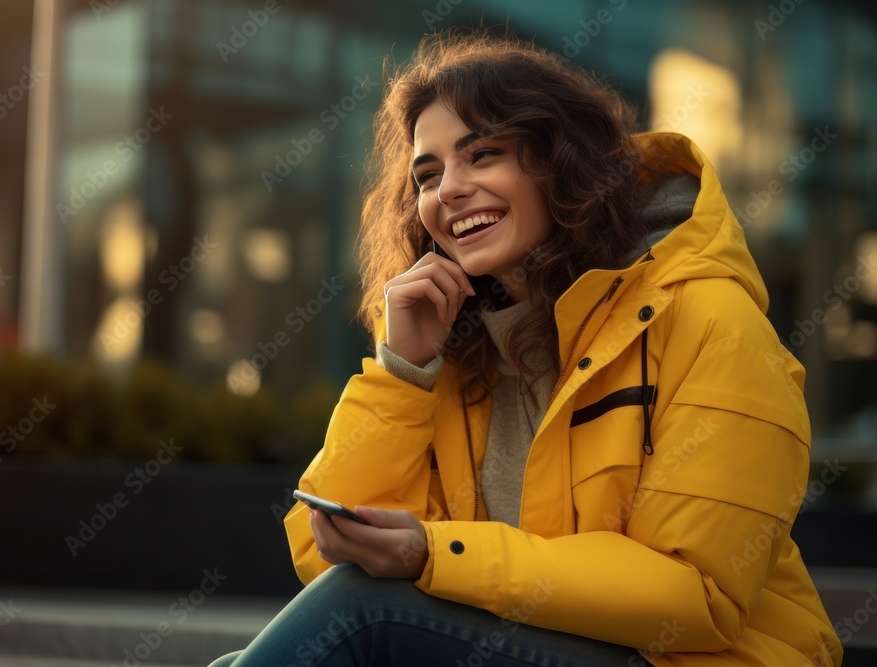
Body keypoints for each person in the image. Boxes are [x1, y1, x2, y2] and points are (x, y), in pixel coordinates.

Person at [210, 30, 842, 667]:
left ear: (564, 162)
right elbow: (325, 561)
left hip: (681, 659)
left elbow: (697, 594)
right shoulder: (460, 346)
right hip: (527, 646)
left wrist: (437, 554)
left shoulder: (709, 319)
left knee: (358, 618)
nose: (448, 189)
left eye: (482, 155)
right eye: (427, 175)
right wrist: (401, 374)